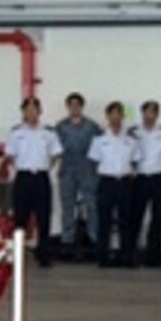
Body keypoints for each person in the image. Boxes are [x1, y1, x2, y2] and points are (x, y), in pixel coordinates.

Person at [6, 96, 62, 268]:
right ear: (23, 112)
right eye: (27, 109)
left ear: (39, 111)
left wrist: (47, 168)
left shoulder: (49, 132)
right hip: (23, 177)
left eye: (34, 109)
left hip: (41, 177)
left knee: (43, 218)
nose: (31, 113)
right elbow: (10, 155)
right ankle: (17, 255)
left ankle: (43, 254)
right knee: (20, 218)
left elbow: (56, 154)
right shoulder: (16, 132)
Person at [88, 103, 139, 268]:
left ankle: (127, 257)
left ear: (123, 117)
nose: (116, 118)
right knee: (104, 221)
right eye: (113, 114)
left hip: (125, 182)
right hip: (106, 182)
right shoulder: (99, 140)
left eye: (119, 114)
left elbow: (135, 161)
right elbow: (93, 163)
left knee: (126, 221)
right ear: (108, 117)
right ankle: (103, 257)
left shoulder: (131, 141)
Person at [128, 101, 161, 266]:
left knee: (158, 217)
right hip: (140, 177)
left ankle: (153, 255)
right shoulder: (133, 133)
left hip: (158, 177)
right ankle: (131, 254)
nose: (149, 116)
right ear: (142, 114)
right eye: (146, 113)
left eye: (152, 113)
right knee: (135, 216)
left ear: (157, 115)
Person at [53, 93, 97, 258]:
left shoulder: (92, 127)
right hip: (67, 170)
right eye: (71, 105)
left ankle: (94, 239)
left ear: (82, 106)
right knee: (67, 207)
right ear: (68, 107)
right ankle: (67, 241)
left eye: (77, 105)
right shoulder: (60, 127)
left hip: (87, 170)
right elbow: (55, 149)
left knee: (92, 206)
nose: (74, 108)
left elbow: (98, 150)